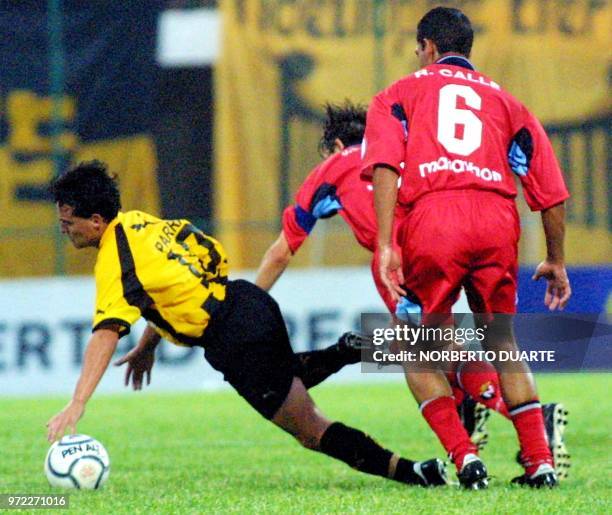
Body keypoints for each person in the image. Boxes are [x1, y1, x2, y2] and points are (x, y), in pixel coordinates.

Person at [45, 161, 448, 488]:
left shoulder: (114, 259)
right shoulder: (137, 223)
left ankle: (415, 472)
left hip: (234, 339)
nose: (64, 230)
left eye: (68, 222)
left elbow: (104, 333)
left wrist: (77, 403)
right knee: (288, 380)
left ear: (96, 221)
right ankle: (348, 350)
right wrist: (148, 345)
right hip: (247, 301)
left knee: (310, 429)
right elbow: (171, 285)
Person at [255, 101, 569, 477]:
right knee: (458, 346)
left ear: (338, 145)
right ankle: (502, 419)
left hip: (405, 259)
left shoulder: (333, 168)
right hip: (452, 235)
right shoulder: (401, 151)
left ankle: (491, 430)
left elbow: (282, 251)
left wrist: (247, 301)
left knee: (418, 356)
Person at [362, 7, 571, 488]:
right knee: (503, 343)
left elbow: (386, 167)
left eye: (418, 51)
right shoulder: (509, 104)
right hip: (498, 218)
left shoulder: (396, 95)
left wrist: (386, 244)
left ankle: (466, 458)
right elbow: (550, 190)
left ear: (428, 47)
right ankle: (539, 463)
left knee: (414, 347)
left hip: (436, 219)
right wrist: (556, 259)